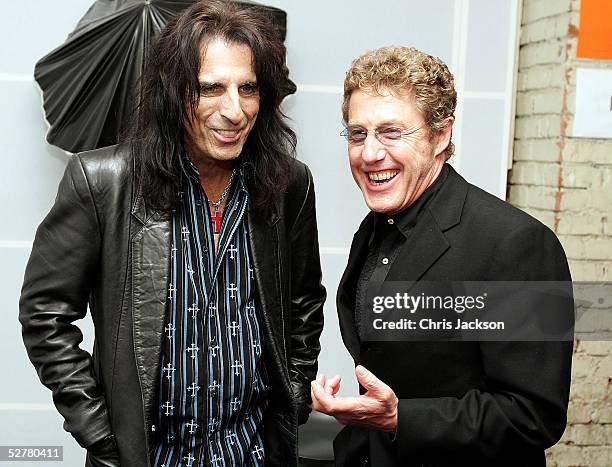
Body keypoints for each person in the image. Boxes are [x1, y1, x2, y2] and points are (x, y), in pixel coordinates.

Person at [19, 1, 325, 466]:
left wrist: (297, 393)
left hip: (254, 452)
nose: (235, 110)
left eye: (248, 88)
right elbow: (45, 314)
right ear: (172, 91)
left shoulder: (289, 185)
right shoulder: (102, 181)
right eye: (210, 89)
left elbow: (304, 300)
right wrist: (100, 430)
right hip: (148, 456)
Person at [311, 46, 573, 466]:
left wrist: (401, 418)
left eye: (392, 132)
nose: (370, 153)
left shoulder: (519, 244)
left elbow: (534, 415)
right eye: (358, 134)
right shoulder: (377, 227)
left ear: (441, 135)